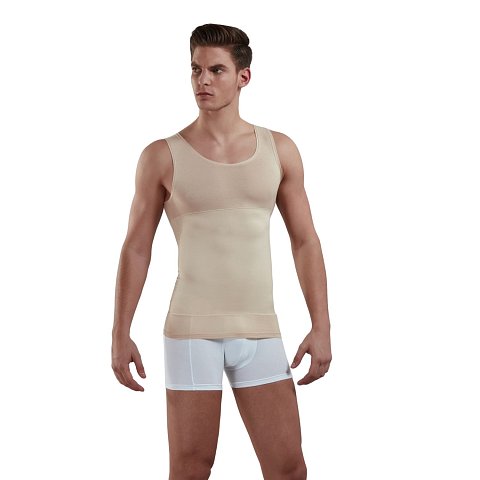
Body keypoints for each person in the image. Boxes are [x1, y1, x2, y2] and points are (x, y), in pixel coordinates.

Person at [111, 23, 332, 480]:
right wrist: (120, 333)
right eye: (196, 70)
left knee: (288, 468)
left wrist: (321, 325)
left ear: (243, 77)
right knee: (191, 468)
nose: (203, 81)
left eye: (216, 70)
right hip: (192, 332)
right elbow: (136, 248)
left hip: (260, 330)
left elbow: (305, 240)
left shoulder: (279, 150)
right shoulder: (161, 156)